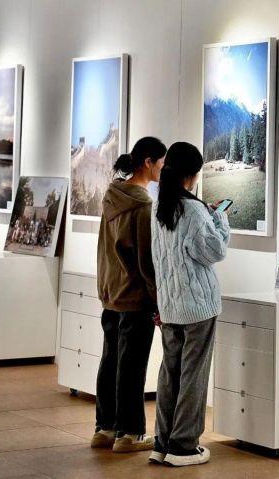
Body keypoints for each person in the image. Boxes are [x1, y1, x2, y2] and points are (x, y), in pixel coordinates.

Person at [149, 142, 230, 467]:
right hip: (197, 307)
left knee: (170, 373)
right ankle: (183, 446)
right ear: (192, 175)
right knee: (193, 375)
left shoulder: (160, 207)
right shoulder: (194, 211)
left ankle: (162, 442)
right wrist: (220, 219)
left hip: (170, 305)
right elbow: (214, 251)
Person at [92, 137, 167, 453]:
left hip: (111, 291)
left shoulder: (112, 196)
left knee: (111, 360)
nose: (163, 169)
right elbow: (146, 261)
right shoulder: (142, 206)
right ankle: (130, 434)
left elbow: (105, 249)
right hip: (134, 296)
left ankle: (104, 428)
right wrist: (158, 298)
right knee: (132, 366)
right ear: (148, 162)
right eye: (161, 163)